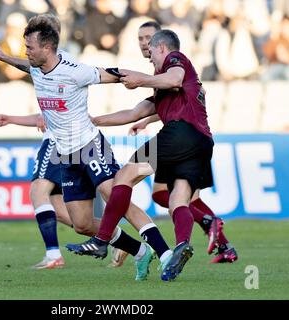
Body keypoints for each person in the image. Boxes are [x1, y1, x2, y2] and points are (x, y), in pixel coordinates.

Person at [0, 14, 180, 281]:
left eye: (30, 47)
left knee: (115, 199)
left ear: (48, 48)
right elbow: (27, 67)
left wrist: (152, 80)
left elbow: (112, 74)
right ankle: (139, 251)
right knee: (82, 224)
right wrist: (4, 57)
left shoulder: (75, 71)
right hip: (66, 155)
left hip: (89, 146)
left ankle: (165, 253)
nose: (26, 52)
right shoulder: (36, 67)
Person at [67, 29, 230, 281]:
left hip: (180, 132)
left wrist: (141, 78)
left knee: (124, 176)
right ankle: (181, 246)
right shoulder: (165, 86)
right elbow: (135, 113)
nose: (149, 56)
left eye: (151, 51)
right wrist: (95, 120)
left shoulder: (177, 61)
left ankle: (101, 240)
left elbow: (173, 78)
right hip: (202, 142)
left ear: (162, 48)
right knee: (177, 201)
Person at [111, 21, 238, 265]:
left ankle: (210, 228)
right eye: (139, 38)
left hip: (184, 138)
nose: (144, 43)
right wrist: (147, 120)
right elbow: (171, 102)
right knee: (173, 198)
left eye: (148, 37)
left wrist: (144, 97)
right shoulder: (162, 74)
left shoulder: (174, 64)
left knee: (182, 199)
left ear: (161, 44)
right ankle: (218, 245)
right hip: (190, 137)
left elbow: (181, 89)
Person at [0, 114, 72, 269]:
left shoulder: (54, 91)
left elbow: (56, 105)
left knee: (38, 191)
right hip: (68, 141)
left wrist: (49, 114)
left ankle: (53, 256)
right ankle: (115, 238)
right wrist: (11, 119)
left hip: (57, 140)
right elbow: (43, 114)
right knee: (61, 213)